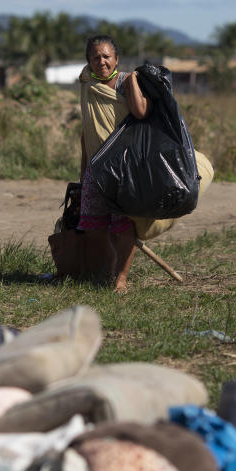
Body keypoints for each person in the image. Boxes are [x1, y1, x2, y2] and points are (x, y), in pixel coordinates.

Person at [77, 34, 151, 291]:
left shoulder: (126, 82)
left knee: (123, 226)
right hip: (96, 168)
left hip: (124, 168)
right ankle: (108, 268)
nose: (102, 61)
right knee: (92, 224)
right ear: (89, 61)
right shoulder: (87, 83)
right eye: (96, 57)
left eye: (106, 56)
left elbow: (141, 113)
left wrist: (132, 83)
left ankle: (121, 277)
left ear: (116, 59)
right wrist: (83, 169)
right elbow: (87, 131)